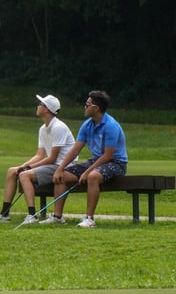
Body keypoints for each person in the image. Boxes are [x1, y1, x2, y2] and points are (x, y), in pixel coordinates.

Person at [40, 90, 127, 228]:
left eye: (87, 105)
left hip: (116, 163)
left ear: (96, 108)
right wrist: (60, 168)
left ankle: (89, 219)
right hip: (96, 161)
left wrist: (87, 172)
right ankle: (57, 217)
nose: (84, 107)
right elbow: (75, 150)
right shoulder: (87, 125)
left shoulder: (111, 126)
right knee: (62, 176)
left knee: (92, 176)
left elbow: (108, 155)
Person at [0, 94, 75, 225]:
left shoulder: (58, 127)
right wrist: (22, 166)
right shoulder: (43, 129)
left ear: (47, 109)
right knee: (12, 171)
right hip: (52, 165)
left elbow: (53, 158)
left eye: (40, 104)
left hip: (62, 167)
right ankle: (4, 214)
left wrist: (28, 168)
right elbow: (39, 155)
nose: (38, 106)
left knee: (24, 175)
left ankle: (32, 215)